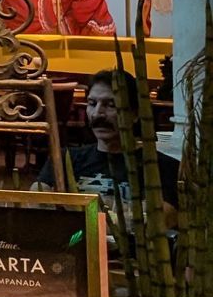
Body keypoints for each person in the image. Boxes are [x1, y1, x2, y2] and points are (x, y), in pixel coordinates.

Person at [36, 68, 180, 206]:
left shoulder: (160, 166)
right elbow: (36, 198)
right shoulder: (66, 159)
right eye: (92, 104)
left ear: (135, 113)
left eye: (111, 105)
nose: (98, 113)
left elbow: (164, 216)